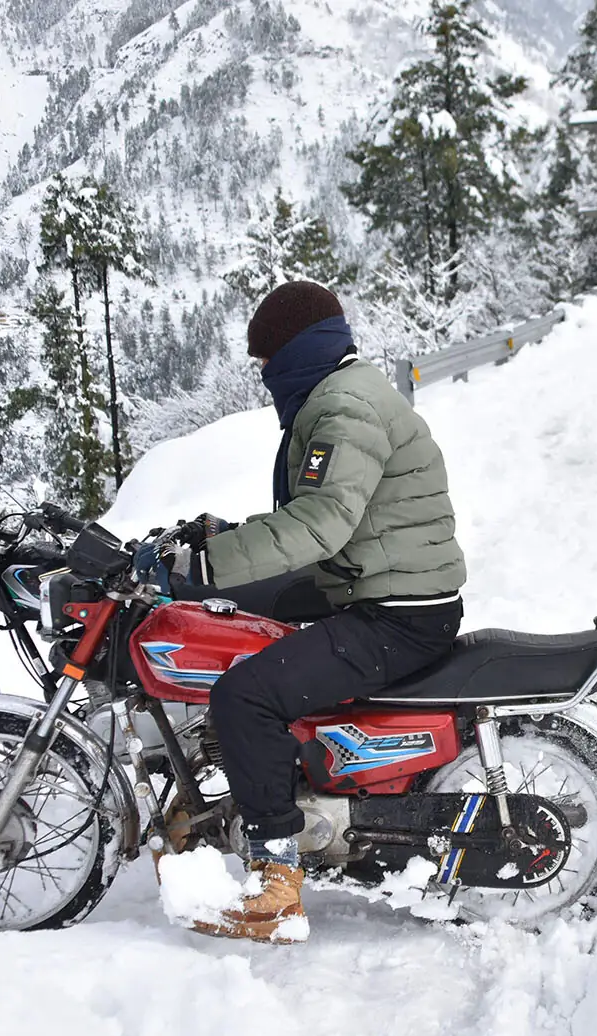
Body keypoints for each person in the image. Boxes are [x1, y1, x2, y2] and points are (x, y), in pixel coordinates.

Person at [172, 281, 467, 943]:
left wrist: (206, 565)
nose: (265, 376)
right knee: (231, 609)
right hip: (374, 582)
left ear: (294, 352)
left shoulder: (343, 409)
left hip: (397, 610)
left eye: (266, 361)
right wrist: (220, 543)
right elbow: (320, 516)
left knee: (245, 695)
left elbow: (320, 522)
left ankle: (276, 884)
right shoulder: (343, 393)